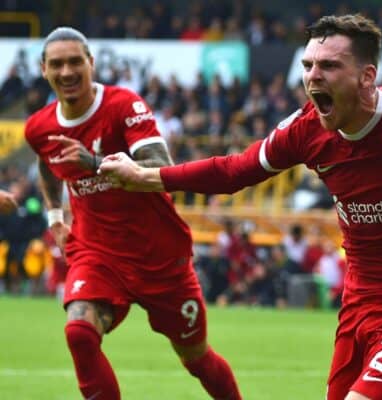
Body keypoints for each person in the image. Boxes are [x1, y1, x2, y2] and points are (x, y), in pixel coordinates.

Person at [100, 14, 382, 400]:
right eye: (308, 65)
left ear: (367, 76)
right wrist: (148, 177)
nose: (313, 76)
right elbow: (234, 172)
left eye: (329, 66)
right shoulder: (305, 129)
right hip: (359, 302)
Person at [24, 27, 241, 400]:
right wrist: (55, 218)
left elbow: (161, 168)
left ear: (91, 64)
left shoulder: (124, 106)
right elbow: (47, 164)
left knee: (196, 359)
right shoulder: (39, 128)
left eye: (75, 61)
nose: (67, 71)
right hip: (98, 254)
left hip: (158, 256)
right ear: (44, 69)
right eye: (57, 64)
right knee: (79, 331)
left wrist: (93, 163)